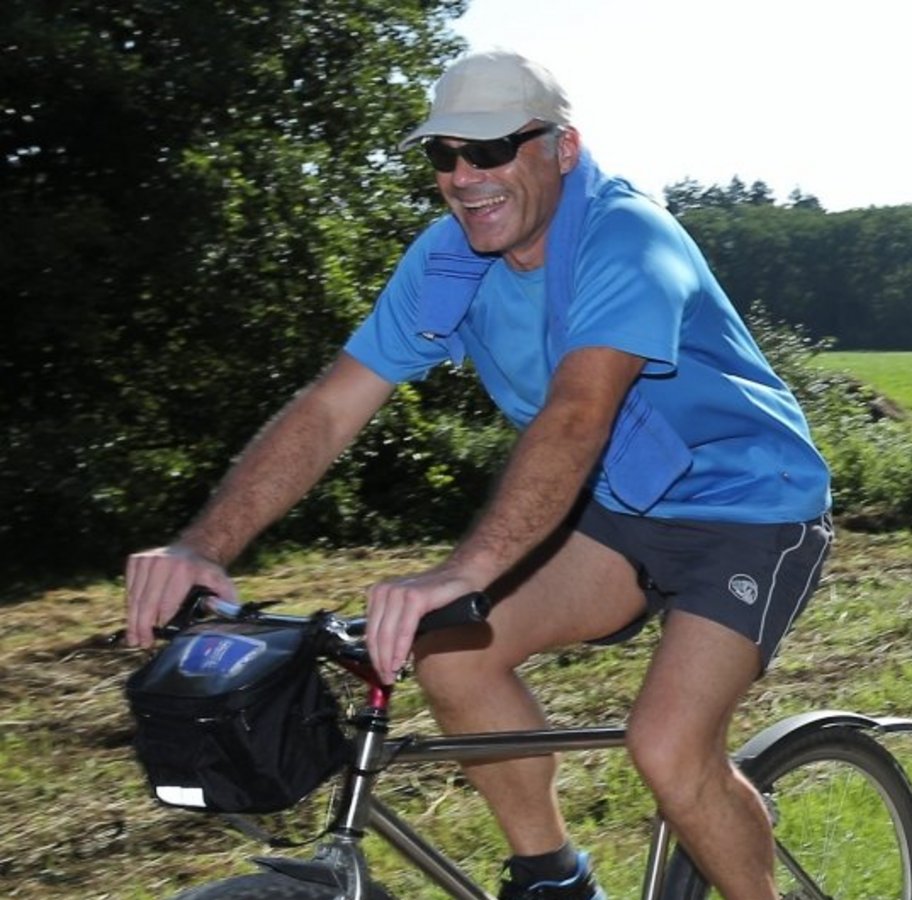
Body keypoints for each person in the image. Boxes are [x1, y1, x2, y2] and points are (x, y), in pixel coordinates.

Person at [123, 49, 833, 900]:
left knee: (669, 748)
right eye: (443, 154)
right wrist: (205, 546)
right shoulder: (449, 261)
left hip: (751, 512)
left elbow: (577, 416)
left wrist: (460, 572)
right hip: (619, 509)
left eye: (491, 150)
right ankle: (554, 880)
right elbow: (330, 409)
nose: (465, 176)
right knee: (452, 658)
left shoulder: (626, 238)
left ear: (562, 149)